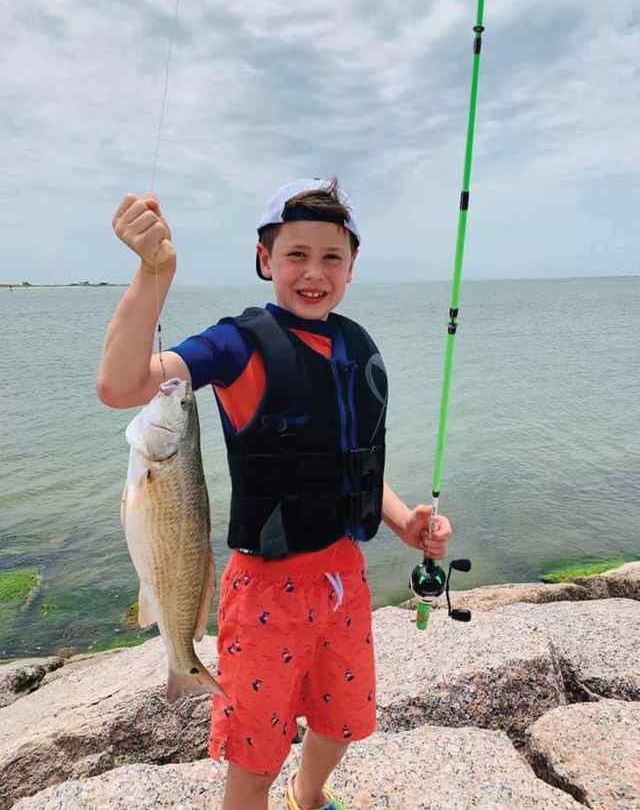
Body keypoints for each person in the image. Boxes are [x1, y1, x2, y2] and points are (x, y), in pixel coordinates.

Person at [97, 178, 453, 810]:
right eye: (295, 255)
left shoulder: (355, 345)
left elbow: (353, 463)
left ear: (351, 267)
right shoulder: (236, 345)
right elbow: (123, 384)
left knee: (341, 722)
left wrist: (404, 522)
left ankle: (308, 796)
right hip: (263, 592)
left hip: (344, 579)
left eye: (331, 258)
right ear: (264, 260)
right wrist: (154, 274)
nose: (313, 273)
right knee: (253, 759)